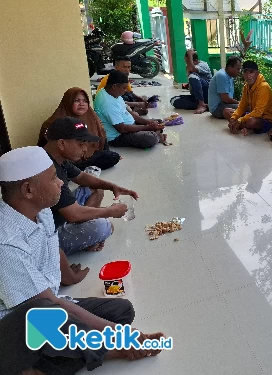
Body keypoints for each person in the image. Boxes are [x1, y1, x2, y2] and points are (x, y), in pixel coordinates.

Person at [0, 146, 164, 375]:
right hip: (12, 332)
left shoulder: (41, 210)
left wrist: (71, 277)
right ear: (28, 189)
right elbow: (47, 304)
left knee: (122, 311)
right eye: (53, 178)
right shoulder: (5, 243)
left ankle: (46, 367)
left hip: (47, 310)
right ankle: (108, 351)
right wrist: (119, 335)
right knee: (49, 313)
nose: (60, 182)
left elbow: (52, 248)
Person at [43, 117, 138, 256]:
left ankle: (83, 228)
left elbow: (81, 177)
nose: (85, 148)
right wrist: (110, 211)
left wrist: (113, 186)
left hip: (61, 214)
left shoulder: (57, 157)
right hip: (47, 235)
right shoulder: (48, 170)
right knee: (105, 227)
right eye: (81, 144)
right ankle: (81, 236)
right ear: (62, 143)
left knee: (96, 189)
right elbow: (73, 214)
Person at [37, 87, 120, 170]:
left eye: (85, 101)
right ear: (68, 102)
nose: (82, 103)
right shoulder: (55, 122)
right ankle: (72, 169)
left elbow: (102, 136)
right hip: (67, 160)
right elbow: (48, 149)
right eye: (77, 100)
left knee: (113, 156)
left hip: (89, 155)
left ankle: (76, 169)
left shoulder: (92, 117)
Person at [94, 70, 168, 149]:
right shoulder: (106, 103)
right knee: (150, 139)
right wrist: (147, 127)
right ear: (114, 86)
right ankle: (157, 137)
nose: (126, 90)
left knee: (159, 122)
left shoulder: (112, 92)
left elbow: (129, 112)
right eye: (124, 88)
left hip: (130, 125)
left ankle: (154, 133)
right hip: (118, 136)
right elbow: (122, 129)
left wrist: (148, 122)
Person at [228, 60, 272, 136]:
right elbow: (242, 106)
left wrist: (240, 120)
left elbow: (258, 112)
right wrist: (233, 118)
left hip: (267, 119)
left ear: (257, 73)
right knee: (227, 112)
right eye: (245, 72)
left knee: (251, 122)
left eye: (251, 72)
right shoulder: (246, 86)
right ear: (243, 74)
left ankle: (245, 127)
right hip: (253, 114)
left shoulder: (264, 87)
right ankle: (244, 127)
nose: (248, 75)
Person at [208, 55, 242, 119]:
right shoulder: (222, 76)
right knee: (245, 108)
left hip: (223, 105)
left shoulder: (228, 76)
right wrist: (241, 103)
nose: (239, 71)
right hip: (217, 108)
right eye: (238, 69)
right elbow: (226, 99)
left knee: (245, 107)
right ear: (230, 67)